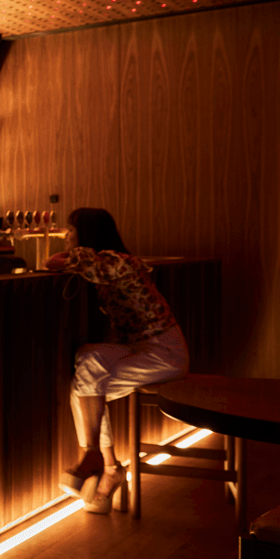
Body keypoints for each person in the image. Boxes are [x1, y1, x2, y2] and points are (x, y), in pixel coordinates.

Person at [46, 208, 188, 514]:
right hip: (140, 348)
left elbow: (52, 261)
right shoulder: (106, 265)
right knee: (87, 368)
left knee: (86, 381)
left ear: (86, 234)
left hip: (165, 351)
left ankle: (102, 462)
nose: (66, 236)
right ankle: (105, 464)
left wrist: (76, 254)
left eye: (71, 230)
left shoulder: (117, 262)